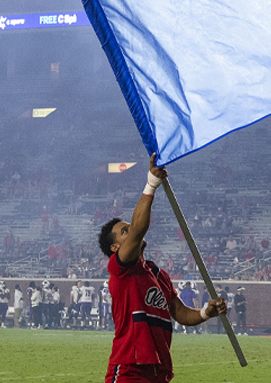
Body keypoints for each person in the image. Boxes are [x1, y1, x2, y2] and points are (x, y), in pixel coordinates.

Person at [96, 155, 227, 383]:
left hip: (160, 371)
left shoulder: (159, 275)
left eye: (129, 227)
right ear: (115, 247)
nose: (132, 231)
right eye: (124, 231)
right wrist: (151, 183)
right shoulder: (120, 269)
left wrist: (208, 312)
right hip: (130, 368)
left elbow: (180, 313)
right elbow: (139, 229)